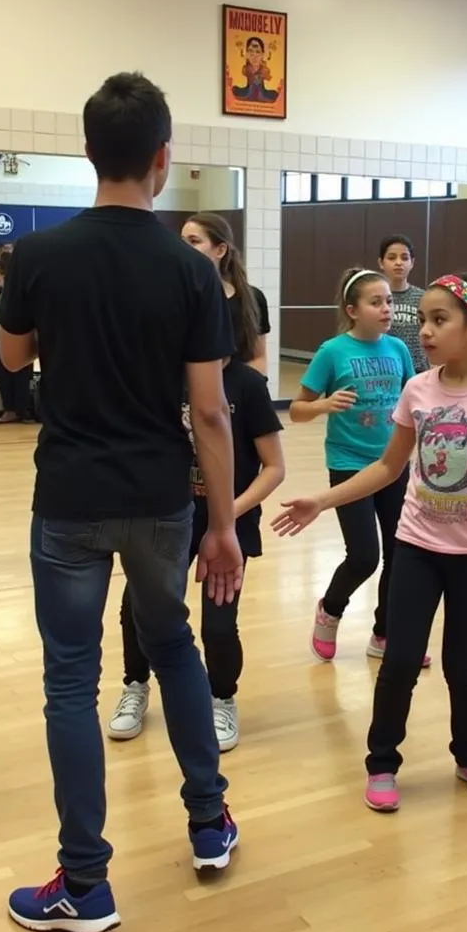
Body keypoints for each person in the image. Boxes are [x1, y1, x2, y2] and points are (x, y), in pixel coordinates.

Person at [0, 71, 243, 932]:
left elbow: (12, 356)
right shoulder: (190, 271)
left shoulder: (37, 257)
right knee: (172, 644)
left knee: (70, 682)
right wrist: (223, 524)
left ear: (88, 152)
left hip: (67, 496)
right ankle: (210, 822)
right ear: (163, 160)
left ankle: (86, 884)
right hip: (157, 498)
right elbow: (210, 410)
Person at [273, 273, 467, 811]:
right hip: (418, 548)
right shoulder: (417, 389)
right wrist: (322, 500)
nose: (423, 330)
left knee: (464, 664)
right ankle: (382, 762)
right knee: (400, 660)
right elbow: (387, 466)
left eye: (437, 320)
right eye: (422, 319)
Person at [108, 297, 285, 750]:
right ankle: (135, 685)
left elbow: (274, 468)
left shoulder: (247, 384)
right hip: (166, 522)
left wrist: (228, 514)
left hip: (228, 527)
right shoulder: (166, 382)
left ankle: (222, 698)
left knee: (218, 626)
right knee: (137, 610)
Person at [289, 267, 421, 664]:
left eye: (389, 301)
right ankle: (330, 609)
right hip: (349, 464)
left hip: (394, 463)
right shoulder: (332, 351)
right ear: (352, 309)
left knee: (400, 555)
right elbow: (296, 410)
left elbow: (413, 398)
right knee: (364, 555)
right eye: (375, 302)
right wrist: (324, 405)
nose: (386, 309)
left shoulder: (397, 349)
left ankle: (384, 633)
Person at [182, 212, 271, 374]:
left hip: (238, 392)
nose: (184, 248)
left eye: (194, 241)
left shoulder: (252, 298)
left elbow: (258, 357)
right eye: (182, 242)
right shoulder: (176, 297)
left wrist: (243, 388)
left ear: (220, 250)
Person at [0, 250, 32, 423]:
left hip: (14, 334)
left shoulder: (13, 288)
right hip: (6, 335)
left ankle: (18, 410)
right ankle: (15, 410)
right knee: (12, 375)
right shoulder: (1, 289)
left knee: (17, 375)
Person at [378, 235, 426, 373]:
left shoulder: (423, 298)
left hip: (419, 370)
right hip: (385, 369)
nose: (399, 263)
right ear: (381, 262)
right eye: (392, 257)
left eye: (405, 258)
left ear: (412, 263)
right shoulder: (375, 298)